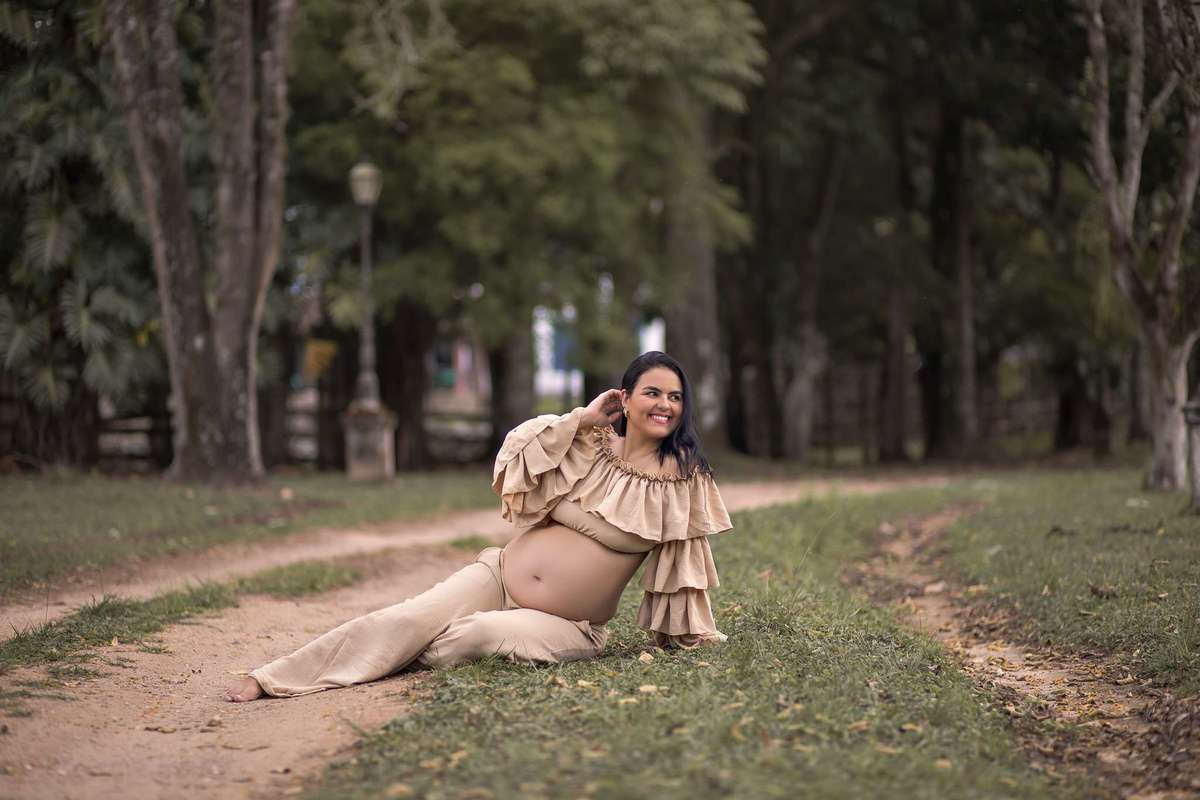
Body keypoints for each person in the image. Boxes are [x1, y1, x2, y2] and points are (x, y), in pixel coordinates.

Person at [225, 351, 733, 702]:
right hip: (498, 576)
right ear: (625, 397)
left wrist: (691, 635)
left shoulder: (681, 477)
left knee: (474, 635)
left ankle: (395, 655)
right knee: (408, 617)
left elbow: (684, 569)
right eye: (652, 392)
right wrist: (582, 418)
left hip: (570, 625)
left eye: (675, 397)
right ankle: (275, 677)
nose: (665, 405)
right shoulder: (587, 442)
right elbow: (516, 455)